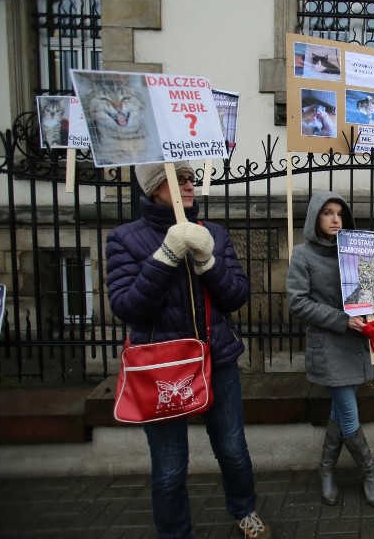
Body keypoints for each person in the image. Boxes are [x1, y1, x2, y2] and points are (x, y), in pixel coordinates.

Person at [105, 162, 268, 539]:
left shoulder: (213, 233)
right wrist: (166, 256)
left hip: (217, 359)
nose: (189, 185)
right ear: (153, 186)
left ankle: (244, 509)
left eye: (191, 178)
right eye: (178, 179)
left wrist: (208, 262)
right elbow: (129, 307)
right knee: (169, 467)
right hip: (162, 368)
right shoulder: (124, 239)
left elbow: (237, 296)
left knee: (232, 450)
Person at [285, 191, 374, 507]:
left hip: (357, 344)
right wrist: (344, 321)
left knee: (339, 411)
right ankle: (369, 472)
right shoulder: (302, 255)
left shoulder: (356, 250)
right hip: (330, 344)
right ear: (315, 217)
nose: (335, 219)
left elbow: (371, 289)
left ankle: (326, 468)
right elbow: (298, 302)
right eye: (327, 213)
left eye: (339, 213)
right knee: (347, 410)